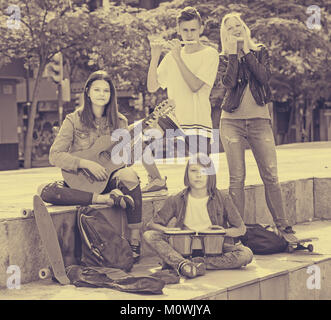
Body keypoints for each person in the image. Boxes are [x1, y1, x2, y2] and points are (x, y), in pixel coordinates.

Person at [37, 70, 142, 262]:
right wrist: (84, 163)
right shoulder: (73, 119)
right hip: (81, 182)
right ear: (87, 91)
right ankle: (103, 199)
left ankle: (135, 240)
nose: (102, 94)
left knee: (131, 175)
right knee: (44, 191)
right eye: (97, 89)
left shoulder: (120, 121)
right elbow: (55, 155)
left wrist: (137, 147)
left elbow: (125, 159)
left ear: (112, 95)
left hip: (109, 178)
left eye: (106, 91)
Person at [218, 12, 296, 238]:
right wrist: (233, 54)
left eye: (238, 25)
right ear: (226, 33)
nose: (235, 29)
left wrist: (245, 52)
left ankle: (283, 227)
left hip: (260, 121)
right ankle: (237, 229)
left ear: (244, 27)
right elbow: (229, 83)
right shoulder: (223, 57)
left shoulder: (260, 51)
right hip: (231, 122)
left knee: (271, 174)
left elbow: (263, 77)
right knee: (237, 178)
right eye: (230, 27)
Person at [142, 6, 220, 195]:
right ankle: (157, 179)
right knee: (141, 142)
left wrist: (177, 56)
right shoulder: (171, 56)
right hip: (173, 119)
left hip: (198, 122)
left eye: (193, 29)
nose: (189, 34)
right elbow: (152, 87)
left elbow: (194, 86)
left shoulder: (210, 54)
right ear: (179, 30)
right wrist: (154, 57)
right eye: (185, 30)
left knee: (201, 180)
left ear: (201, 29)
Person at [143, 153, 253, 279]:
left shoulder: (223, 198)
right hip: (183, 247)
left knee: (246, 254)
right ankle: (183, 263)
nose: (198, 175)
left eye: (204, 171)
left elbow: (241, 229)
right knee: (149, 235)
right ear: (187, 174)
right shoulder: (176, 198)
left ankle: (187, 265)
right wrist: (168, 230)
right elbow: (151, 224)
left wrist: (222, 232)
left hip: (214, 250)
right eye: (193, 170)